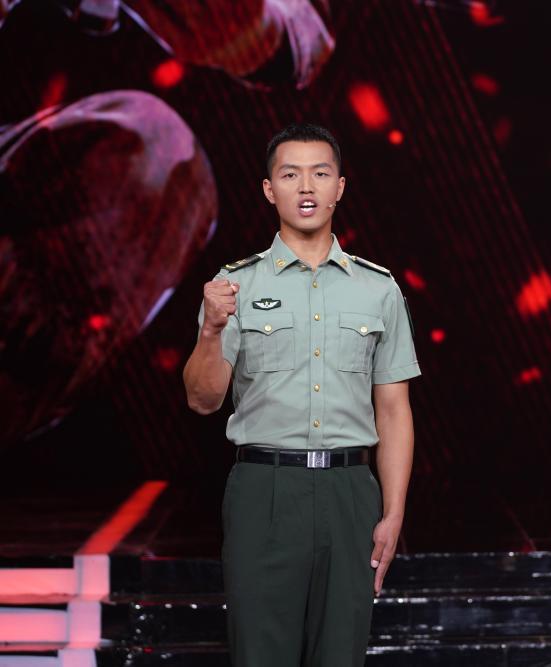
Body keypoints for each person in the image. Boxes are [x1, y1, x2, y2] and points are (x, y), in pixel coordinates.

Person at [182, 122, 420, 667]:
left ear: (340, 187)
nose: (306, 187)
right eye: (290, 175)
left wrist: (393, 511)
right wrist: (211, 330)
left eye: (320, 173)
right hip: (264, 490)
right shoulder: (235, 285)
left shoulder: (378, 288)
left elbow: (394, 409)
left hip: (349, 492)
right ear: (270, 190)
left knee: (340, 654)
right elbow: (202, 400)